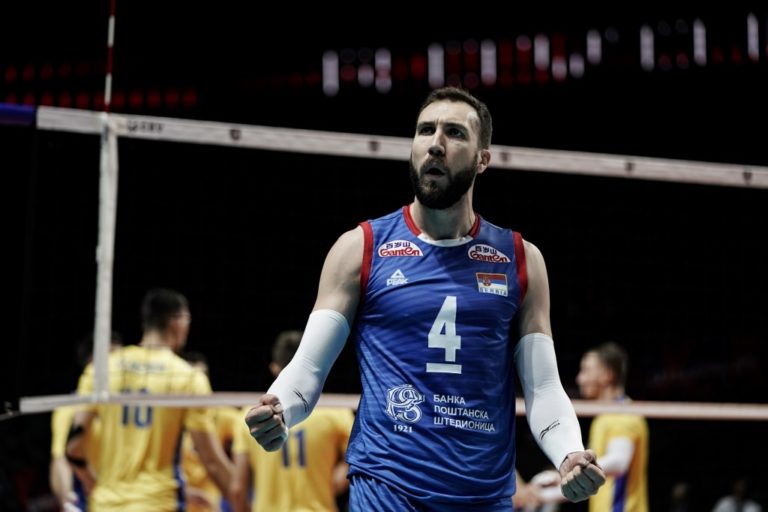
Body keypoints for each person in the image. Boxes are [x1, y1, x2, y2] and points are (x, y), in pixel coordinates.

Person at [245, 86, 605, 509]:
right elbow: (308, 366)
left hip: (482, 495)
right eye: (425, 130)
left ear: (483, 159)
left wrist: (568, 453)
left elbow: (543, 387)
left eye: (454, 133)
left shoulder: (522, 260)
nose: (435, 144)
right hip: (386, 487)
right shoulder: (360, 248)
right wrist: (280, 410)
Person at [66, 288, 234, 511]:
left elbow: (74, 446)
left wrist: (91, 482)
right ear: (177, 321)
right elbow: (211, 461)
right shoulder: (188, 377)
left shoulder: (103, 369)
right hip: (159, 502)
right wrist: (242, 501)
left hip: (106, 503)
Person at [230, 329, 354, 512]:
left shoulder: (250, 418)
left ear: (274, 368)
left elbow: (237, 489)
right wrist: (335, 482)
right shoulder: (336, 412)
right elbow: (357, 458)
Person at [533, 342, 649, 511]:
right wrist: (562, 477)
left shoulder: (624, 415)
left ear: (607, 375)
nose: (580, 379)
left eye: (586, 370)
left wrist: (550, 492)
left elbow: (619, 462)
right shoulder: (604, 417)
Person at [49, 331, 123, 512]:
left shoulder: (131, 404)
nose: (116, 364)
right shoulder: (70, 409)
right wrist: (68, 502)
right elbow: (61, 460)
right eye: (110, 357)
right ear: (91, 365)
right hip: (94, 501)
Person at [180, 351, 241, 512]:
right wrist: (184, 492)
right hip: (172, 502)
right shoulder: (167, 418)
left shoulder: (222, 414)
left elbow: (248, 435)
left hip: (210, 506)